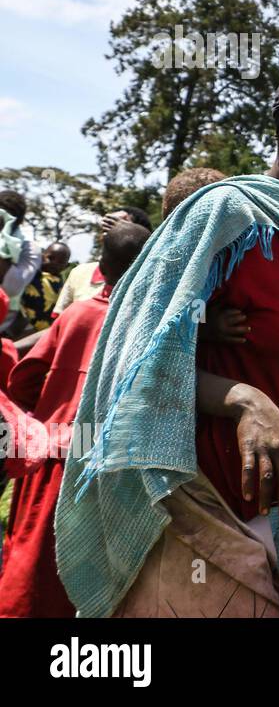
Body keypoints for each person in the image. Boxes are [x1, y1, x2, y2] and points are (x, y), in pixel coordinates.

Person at [55, 45, 279, 618]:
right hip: (188, 505)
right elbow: (132, 363)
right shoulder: (224, 217)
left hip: (265, 515)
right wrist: (240, 399)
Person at [0, 222, 149, 617]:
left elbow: (24, 379)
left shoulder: (77, 315)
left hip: (53, 449)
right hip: (109, 457)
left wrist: (46, 415)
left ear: (101, 266)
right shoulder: (150, 328)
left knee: (31, 554)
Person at [52, 206, 153, 314]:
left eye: (120, 225)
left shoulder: (153, 280)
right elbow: (60, 323)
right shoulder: (80, 273)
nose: (108, 231)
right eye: (106, 225)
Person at [0, 193, 42, 336]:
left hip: (5, 329)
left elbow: (13, 287)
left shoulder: (29, 249)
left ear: (19, 221)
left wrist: (4, 241)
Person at [18, 242, 70, 334]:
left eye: (60, 262)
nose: (54, 263)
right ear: (42, 256)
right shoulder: (33, 273)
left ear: (66, 266)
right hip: (24, 324)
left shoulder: (63, 284)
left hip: (45, 331)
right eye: (50, 258)